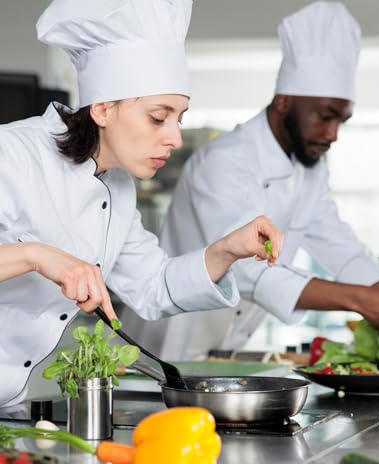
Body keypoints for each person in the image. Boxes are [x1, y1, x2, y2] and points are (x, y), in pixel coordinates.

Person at [0, 0, 282, 407]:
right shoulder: (12, 154)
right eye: (157, 117)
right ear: (103, 108)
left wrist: (227, 249)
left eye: (179, 119)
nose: (175, 138)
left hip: (10, 402)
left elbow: (154, 286)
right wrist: (36, 255)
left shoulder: (117, 186)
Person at [125, 0, 379, 361]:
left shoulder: (310, 170)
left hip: (225, 352)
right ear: (284, 101)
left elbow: (340, 245)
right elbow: (244, 269)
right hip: (161, 349)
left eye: (341, 121)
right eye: (325, 116)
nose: (333, 134)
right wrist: (361, 300)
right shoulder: (224, 161)